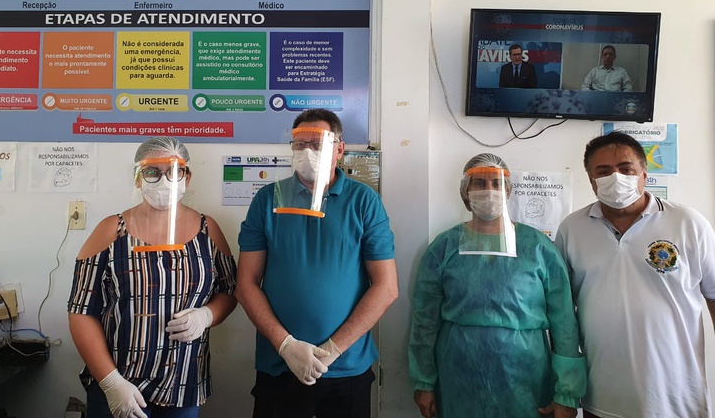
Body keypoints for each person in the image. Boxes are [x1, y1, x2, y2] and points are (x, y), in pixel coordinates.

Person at [236, 108, 397, 418]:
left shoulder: (364, 201)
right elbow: (246, 284)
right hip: (280, 365)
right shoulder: (268, 199)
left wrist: (332, 350)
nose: (307, 151)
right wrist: (286, 345)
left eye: (317, 144)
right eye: (300, 144)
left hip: (346, 368)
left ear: (339, 149)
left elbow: (386, 287)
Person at [68, 137, 237, 418]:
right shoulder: (111, 231)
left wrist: (207, 315)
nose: (164, 181)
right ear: (137, 178)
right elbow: (81, 310)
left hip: (182, 384)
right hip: (119, 381)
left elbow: (229, 290)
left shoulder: (208, 231)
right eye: (152, 172)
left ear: (187, 177)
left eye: (174, 171)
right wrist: (111, 382)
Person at [409, 153, 585, 418]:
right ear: (465, 191)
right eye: (479, 183)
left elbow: (564, 322)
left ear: (508, 191)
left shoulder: (537, 247)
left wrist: (566, 393)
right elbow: (425, 319)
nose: (489, 190)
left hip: (526, 374)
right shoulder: (444, 247)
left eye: (497, 183)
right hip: (458, 372)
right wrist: (424, 381)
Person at [556, 132, 715, 417]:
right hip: (601, 397)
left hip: (678, 399)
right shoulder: (572, 229)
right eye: (603, 171)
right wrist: (563, 388)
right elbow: (562, 311)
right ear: (592, 181)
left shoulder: (689, 224)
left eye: (626, 169)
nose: (616, 177)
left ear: (644, 174)